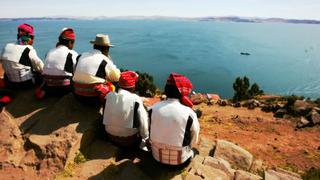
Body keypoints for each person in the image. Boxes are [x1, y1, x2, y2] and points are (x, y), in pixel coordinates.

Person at [149, 73, 200, 165]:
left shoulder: (152, 109)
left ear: (166, 90)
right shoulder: (190, 113)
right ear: (183, 93)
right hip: (180, 162)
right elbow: (194, 138)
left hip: (156, 158)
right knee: (195, 151)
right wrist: (189, 147)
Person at [103, 71, 149, 148]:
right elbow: (143, 121)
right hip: (129, 140)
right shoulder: (135, 99)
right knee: (145, 114)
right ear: (132, 86)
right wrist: (146, 137)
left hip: (110, 136)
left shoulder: (108, 95)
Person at [73, 34, 120, 104]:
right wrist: (109, 60)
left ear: (94, 46)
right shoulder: (104, 60)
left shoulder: (81, 56)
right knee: (116, 83)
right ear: (106, 49)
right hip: (94, 98)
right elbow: (117, 77)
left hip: (77, 95)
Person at [0, 23, 43, 89]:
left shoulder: (7, 46)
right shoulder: (28, 49)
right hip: (25, 84)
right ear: (30, 38)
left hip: (10, 83)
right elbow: (39, 67)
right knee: (40, 75)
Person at [39, 28, 78, 98]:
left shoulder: (49, 52)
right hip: (64, 88)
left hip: (48, 87)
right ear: (70, 43)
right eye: (73, 42)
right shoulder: (73, 54)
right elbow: (76, 73)